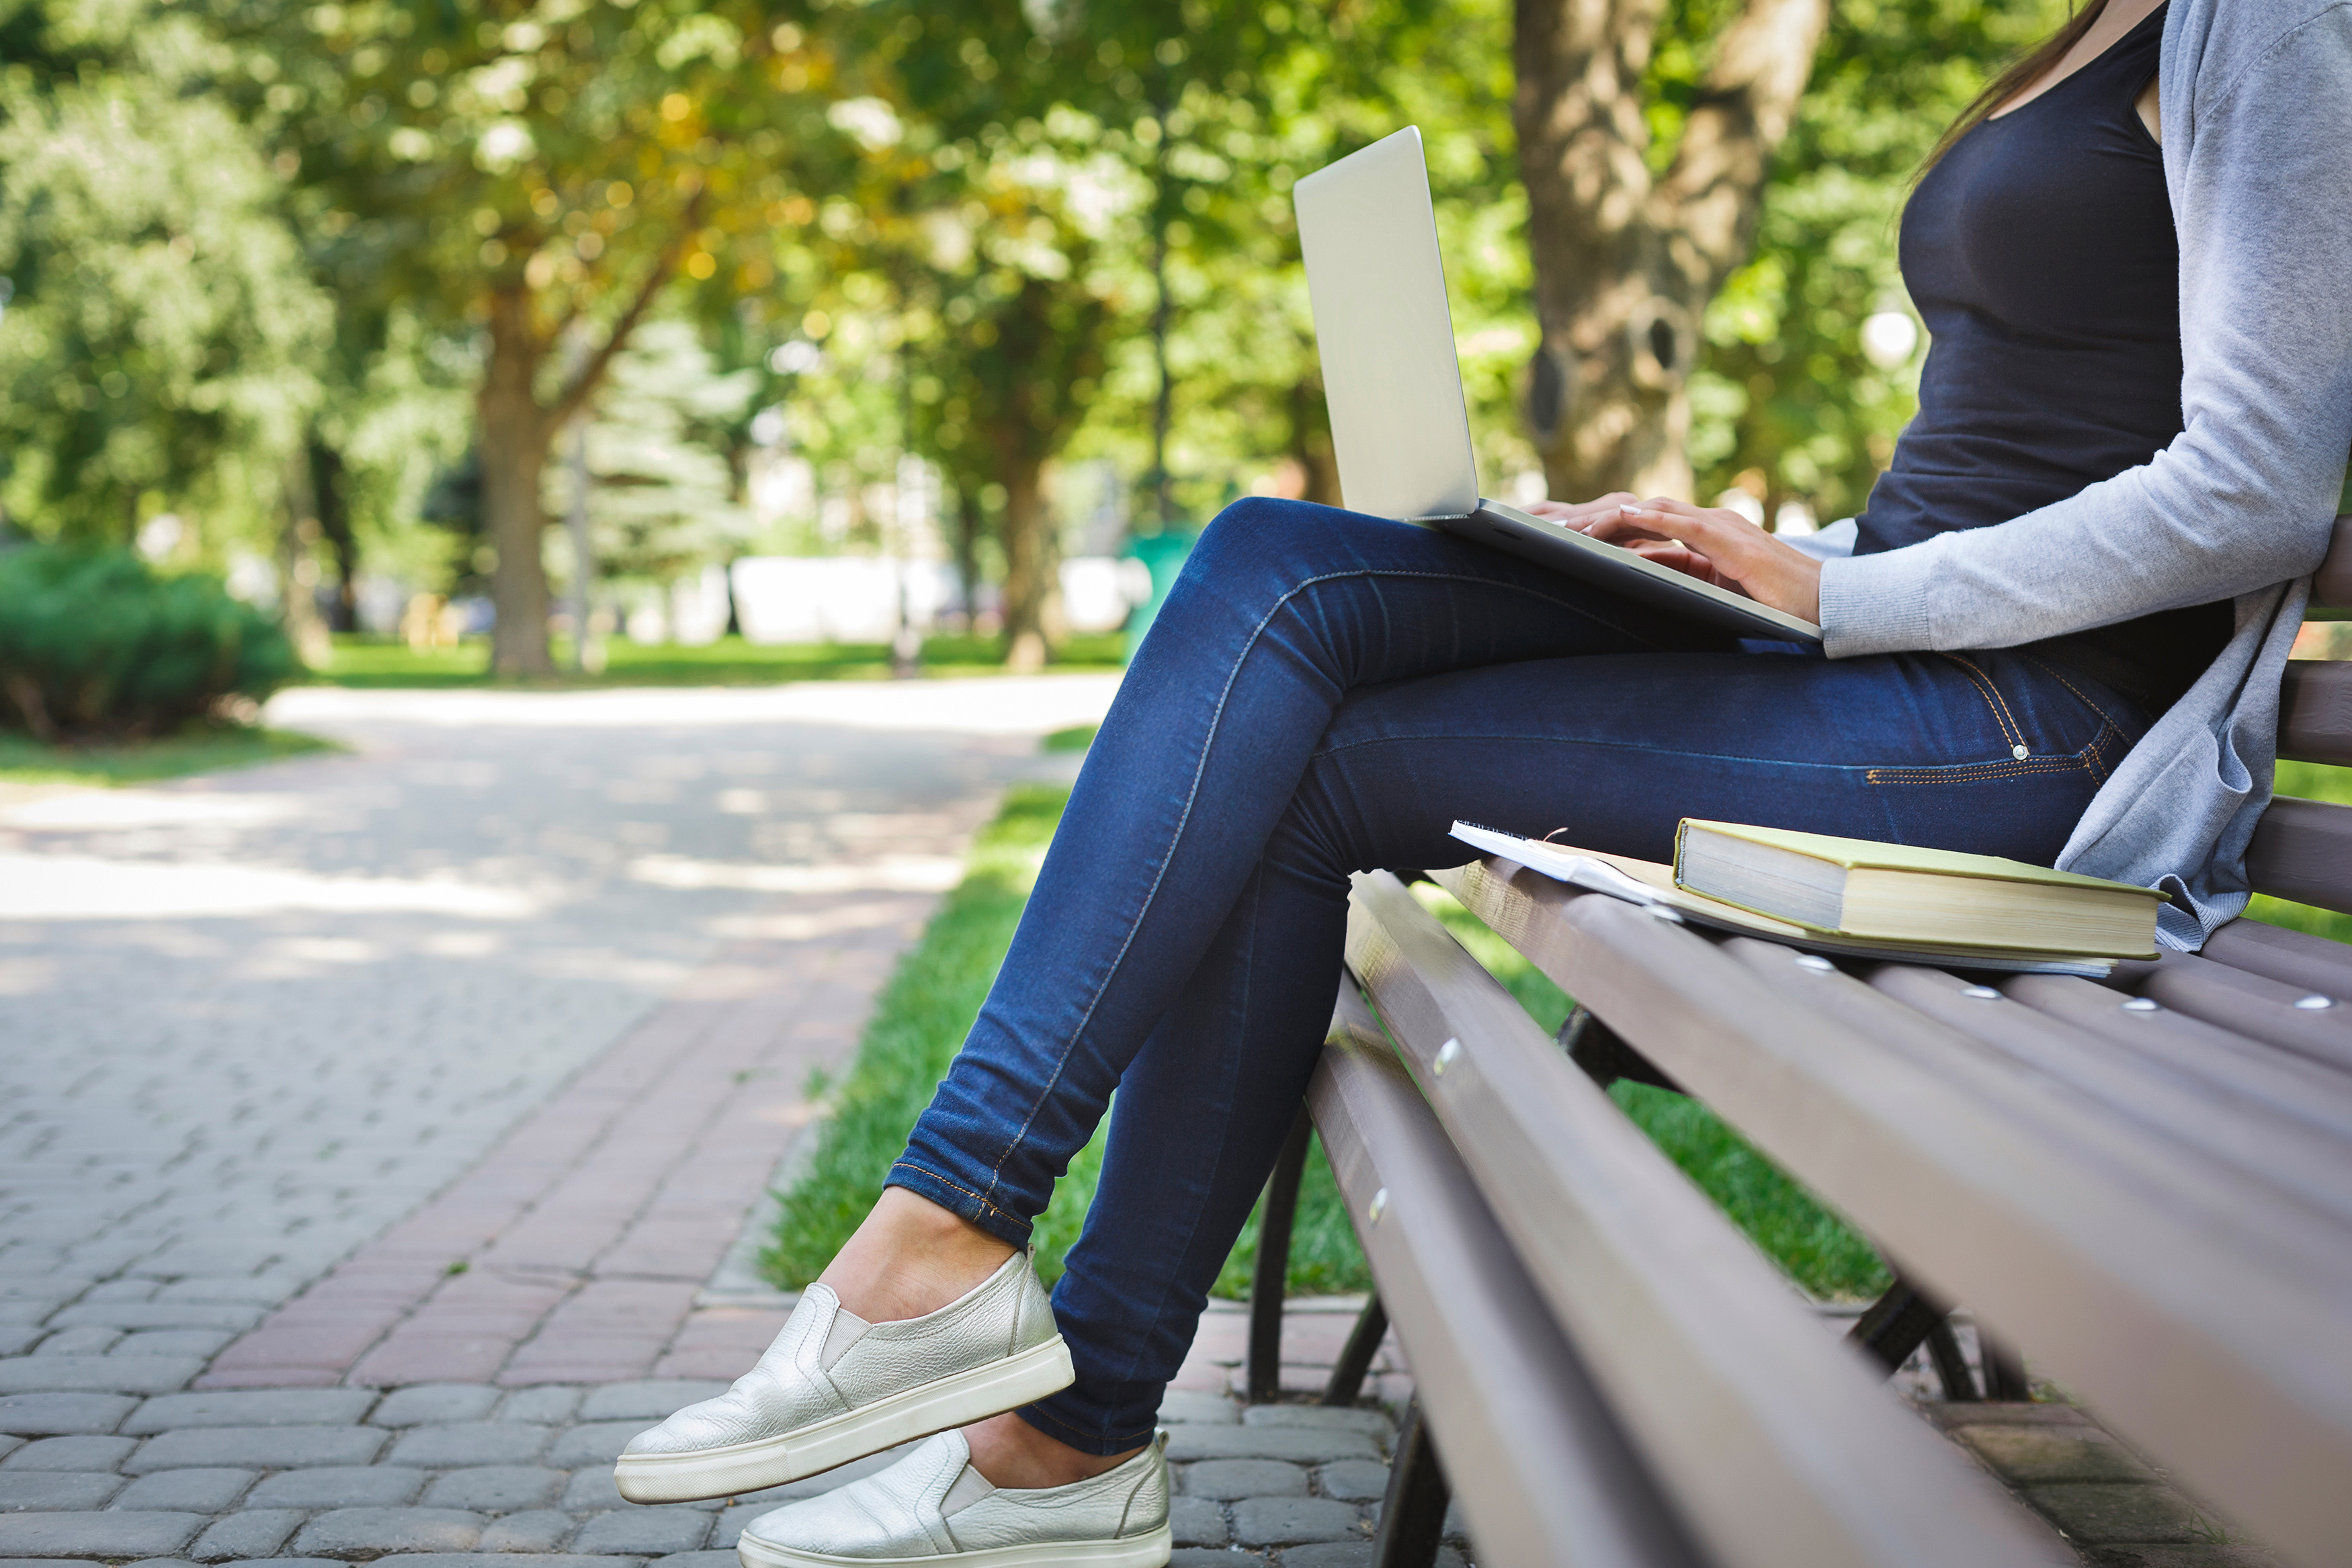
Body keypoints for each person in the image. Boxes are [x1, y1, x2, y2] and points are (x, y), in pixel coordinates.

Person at [620, 1, 2352, 1563]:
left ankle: (1036, 1388)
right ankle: (999, 1309)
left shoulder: (2265, 22)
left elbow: (2263, 489)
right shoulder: (2096, 24)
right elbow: (2001, 463)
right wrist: (1737, 557)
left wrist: (1846, 595)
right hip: (1885, 647)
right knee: (1275, 566)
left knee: (1305, 760)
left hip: (2026, 738)